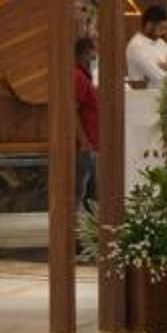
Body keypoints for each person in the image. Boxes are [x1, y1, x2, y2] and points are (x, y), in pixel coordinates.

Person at [123, 2, 167, 179]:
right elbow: (158, 76)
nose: (164, 32)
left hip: (165, 101)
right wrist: (165, 67)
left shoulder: (161, 43)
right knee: (148, 153)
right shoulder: (136, 46)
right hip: (145, 104)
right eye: (161, 28)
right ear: (149, 25)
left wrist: (166, 67)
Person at [72, 34, 102, 212]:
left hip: (92, 143)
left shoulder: (85, 76)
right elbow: (72, 109)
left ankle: (90, 225)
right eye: (94, 51)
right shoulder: (78, 76)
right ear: (86, 52)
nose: (96, 55)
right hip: (86, 145)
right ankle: (74, 225)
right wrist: (83, 140)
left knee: (91, 191)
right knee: (80, 189)